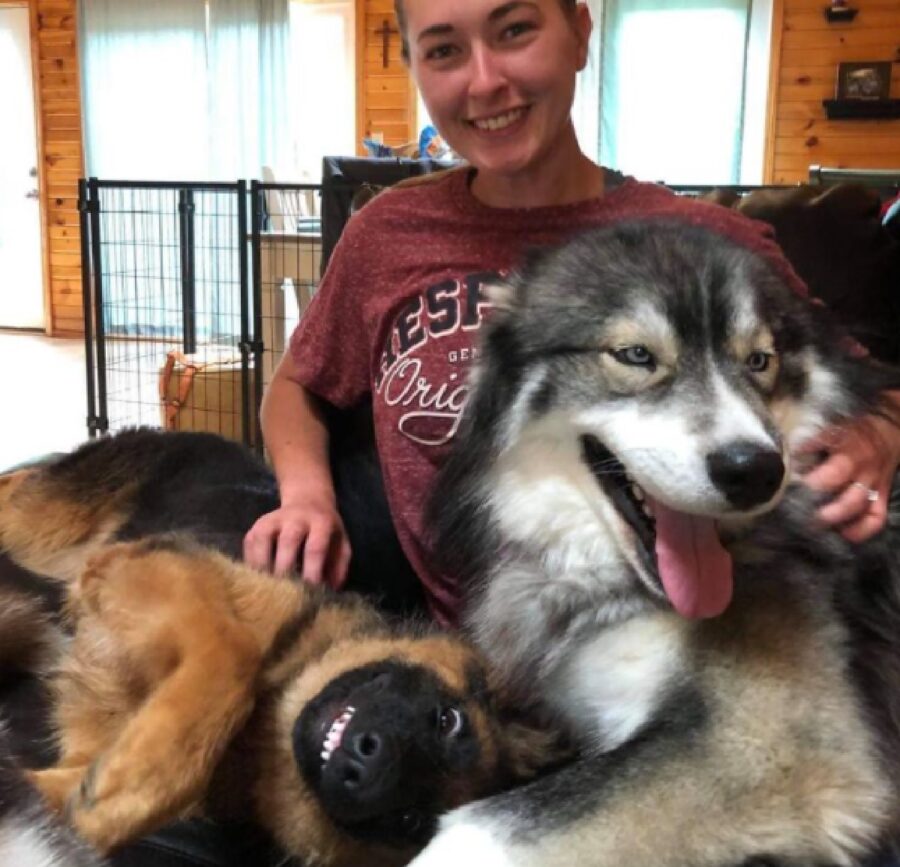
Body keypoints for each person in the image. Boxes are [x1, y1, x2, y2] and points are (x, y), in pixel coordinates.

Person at [243, 0, 900, 626]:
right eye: (443, 50)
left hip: (677, 642)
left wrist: (880, 434)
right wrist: (306, 495)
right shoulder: (386, 234)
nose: (485, 82)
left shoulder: (711, 244)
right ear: (415, 67)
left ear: (579, 35)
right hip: (459, 641)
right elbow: (299, 383)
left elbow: (868, 386)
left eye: (515, 31)